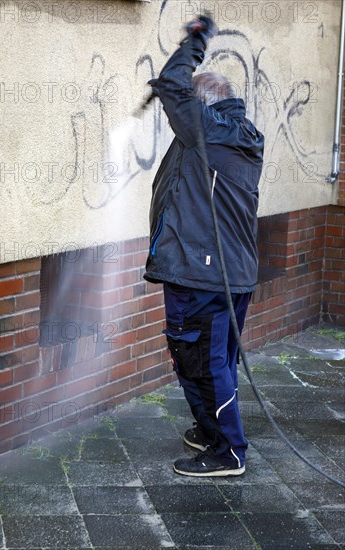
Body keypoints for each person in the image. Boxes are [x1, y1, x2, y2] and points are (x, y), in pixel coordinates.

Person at [144, 15, 265, 477]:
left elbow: (175, 84)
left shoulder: (210, 132)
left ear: (206, 108)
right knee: (210, 361)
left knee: (202, 363)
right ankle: (212, 430)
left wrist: (196, 38)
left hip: (204, 275)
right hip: (221, 272)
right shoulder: (229, 136)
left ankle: (227, 451)